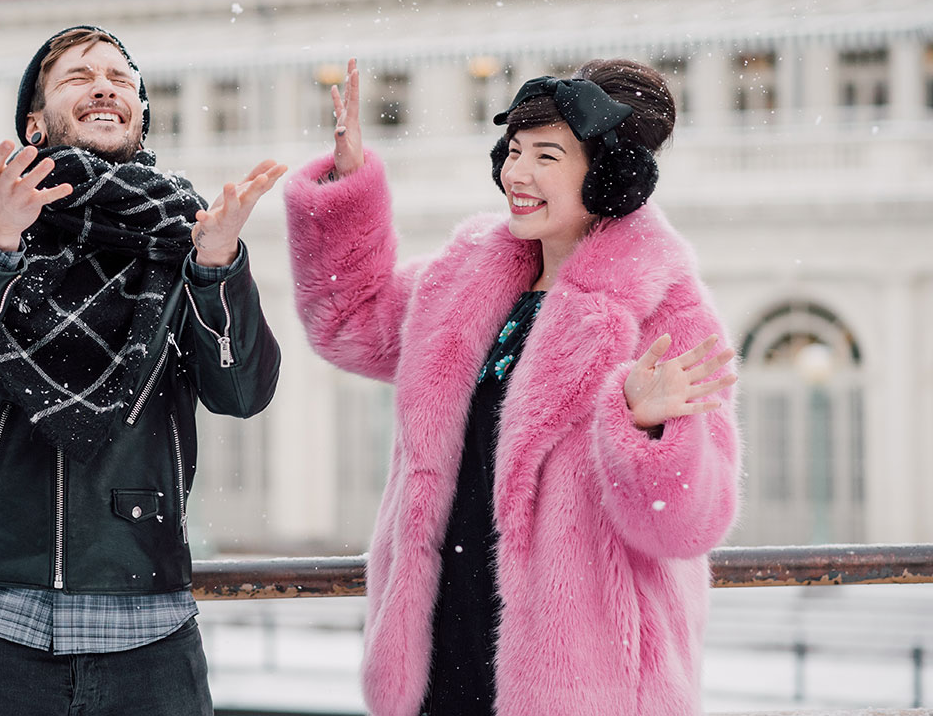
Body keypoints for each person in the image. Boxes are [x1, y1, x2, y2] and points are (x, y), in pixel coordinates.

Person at [283, 58, 740, 716]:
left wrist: (645, 428)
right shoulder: (467, 277)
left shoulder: (665, 307)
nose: (515, 174)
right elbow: (351, 321)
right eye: (513, 150)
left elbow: (692, 523)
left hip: (586, 683)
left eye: (546, 155)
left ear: (608, 176)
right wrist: (348, 183)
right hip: (444, 653)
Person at [0, 25, 284, 716]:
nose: (104, 85)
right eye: (77, 76)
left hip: (150, 643)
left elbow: (243, 392)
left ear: (140, 113)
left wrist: (217, 270)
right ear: (35, 123)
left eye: (120, 78)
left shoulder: (184, 235)